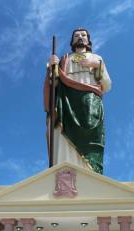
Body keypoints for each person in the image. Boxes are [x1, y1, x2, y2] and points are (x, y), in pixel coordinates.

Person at [44, 28, 111, 174]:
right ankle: (64, 172)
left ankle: (90, 173)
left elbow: (107, 85)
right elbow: (54, 85)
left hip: (90, 103)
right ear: (72, 40)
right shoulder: (64, 59)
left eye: (83, 35)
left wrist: (97, 65)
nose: (80, 37)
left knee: (91, 140)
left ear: (88, 40)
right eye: (76, 36)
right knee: (62, 134)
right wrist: (52, 68)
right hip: (66, 103)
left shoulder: (97, 58)